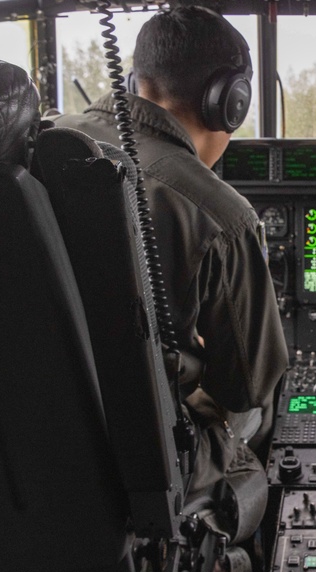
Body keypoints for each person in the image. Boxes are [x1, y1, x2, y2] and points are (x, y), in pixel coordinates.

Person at [54, 6, 287, 531]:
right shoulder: (220, 214)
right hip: (139, 469)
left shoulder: (39, 144)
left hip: (13, 453)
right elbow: (248, 385)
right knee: (266, 405)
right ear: (230, 101)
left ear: (137, 80)